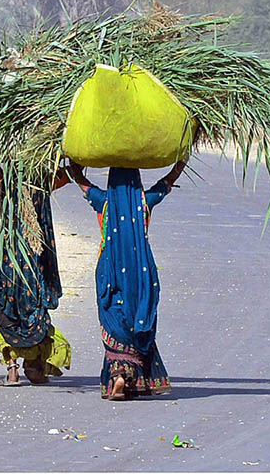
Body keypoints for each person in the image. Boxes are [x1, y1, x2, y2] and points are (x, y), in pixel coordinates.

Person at [69, 159, 186, 400]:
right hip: (140, 274)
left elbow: (82, 183)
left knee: (114, 320)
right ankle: (129, 377)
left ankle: (118, 375)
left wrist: (73, 164)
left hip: (109, 272)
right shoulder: (144, 202)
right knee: (136, 319)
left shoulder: (104, 202)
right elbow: (166, 183)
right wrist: (181, 162)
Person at [0, 166, 73, 387]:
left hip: (8, 259)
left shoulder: (3, 184)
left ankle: (13, 368)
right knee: (32, 309)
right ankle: (33, 363)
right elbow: (71, 174)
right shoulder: (42, 184)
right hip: (35, 259)